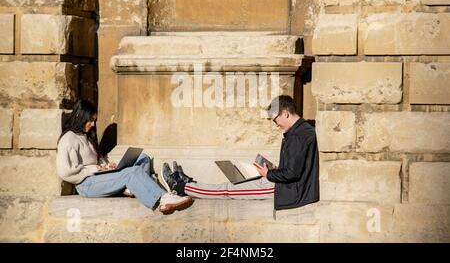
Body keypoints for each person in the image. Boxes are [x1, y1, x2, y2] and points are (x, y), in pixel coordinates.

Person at [161, 95, 320, 211]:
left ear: (285, 113)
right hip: (285, 185)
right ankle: (189, 183)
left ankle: (181, 186)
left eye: (275, 119)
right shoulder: (302, 131)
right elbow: (295, 166)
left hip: (283, 189)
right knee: (232, 184)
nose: (276, 124)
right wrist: (271, 170)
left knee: (226, 190)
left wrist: (268, 173)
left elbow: (292, 173)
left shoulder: (298, 136)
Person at [56, 99, 194, 215]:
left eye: (94, 120)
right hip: (86, 185)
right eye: (90, 120)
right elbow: (64, 172)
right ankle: (163, 199)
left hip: (98, 178)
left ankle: (132, 187)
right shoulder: (68, 139)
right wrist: (92, 169)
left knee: (143, 158)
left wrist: (106, 166)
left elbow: (95, 160)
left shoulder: (86, 136)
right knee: (131, 173)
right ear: (80, 117)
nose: (93, 124)